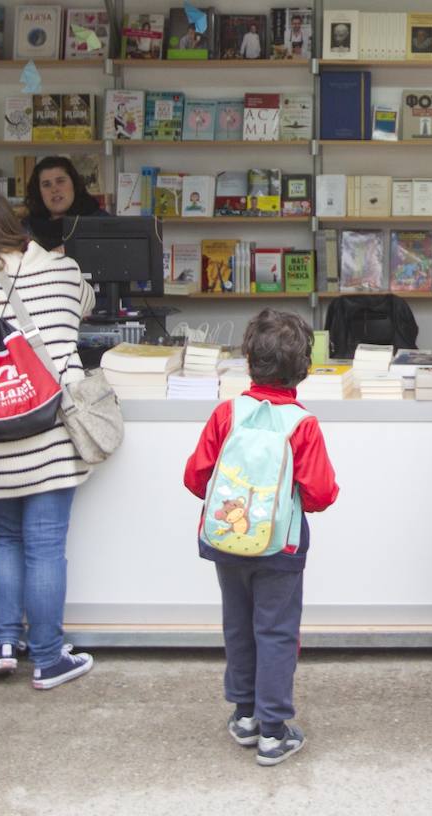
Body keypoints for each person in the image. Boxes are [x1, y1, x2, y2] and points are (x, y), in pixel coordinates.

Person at [0, 192, 95, 690]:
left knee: (3, 539)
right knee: (46, 547)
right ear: (15, 223)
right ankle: (49, 658)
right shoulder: (61, 271)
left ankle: (4, 643)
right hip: (49, 430)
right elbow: (85, 308)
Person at [183, 309, 339, 766]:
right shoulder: (302, 424)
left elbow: (196, 478)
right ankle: (274, 732)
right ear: (303, 370)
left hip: (226, 546)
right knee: (275, 631)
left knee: (238, 625)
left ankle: (245, 715)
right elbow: (321, 493)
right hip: (281, 548)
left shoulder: (226, 413)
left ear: (247, 359)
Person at [23, 156, 108, 252]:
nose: (54, 189)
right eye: (46, 185)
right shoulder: (26, 229)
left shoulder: (101, 222)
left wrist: (72, 249)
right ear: (38, 192)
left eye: (60, 181)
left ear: (74, 184)